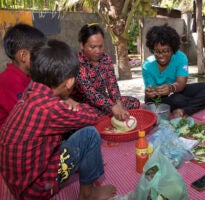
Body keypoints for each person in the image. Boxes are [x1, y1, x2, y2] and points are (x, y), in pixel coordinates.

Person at [0, 39, 116, 199]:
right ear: (70, 82)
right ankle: (88, 194)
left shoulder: (32, 92)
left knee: (70, 129)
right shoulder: (52, 108)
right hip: (36, 188)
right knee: (89, 134)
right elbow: (91, 115)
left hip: (17, 180)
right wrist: (71, 101)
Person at [142, 24, 205, 118]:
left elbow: (181, 84)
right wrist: (150, 92)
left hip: (176, 89)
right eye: (157, 51)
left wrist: (170, 88)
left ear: (173, 49)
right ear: (152, 49)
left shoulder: (180, 57)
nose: (161, 55)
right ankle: (199, 103)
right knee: (176, 100)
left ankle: (184, 110)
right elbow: (151, 90)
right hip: (160, 98)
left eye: (165, 50)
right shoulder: (147, 65)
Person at [72, 23, 140, 121]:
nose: (98, 51)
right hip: (85, 105)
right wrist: (113, 108)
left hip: (105, 102)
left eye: (100, 46)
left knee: (134, 102)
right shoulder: (77, 63)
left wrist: (118, 104)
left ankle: (109, 117)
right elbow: (89, 93)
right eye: (93, 47)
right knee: (87, 116)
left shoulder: (105, 59)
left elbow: (112, 85)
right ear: (82, 45)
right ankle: (107, 117)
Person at [0, 23, 46, 127]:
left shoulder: (31, 76)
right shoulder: (8, 82)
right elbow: (30, 118)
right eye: (40, 54)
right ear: (23, 56)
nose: (44, 58)